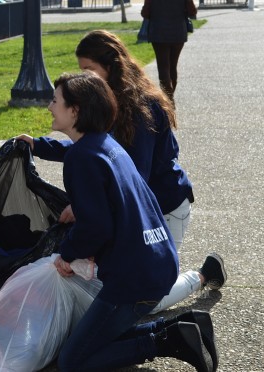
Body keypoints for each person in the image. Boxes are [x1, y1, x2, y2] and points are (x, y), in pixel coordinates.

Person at [18, 30, 226, 318]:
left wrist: (81, 207)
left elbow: (132, 177)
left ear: (111, 67)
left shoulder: (143, 109)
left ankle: (204, 273)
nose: (85, 78)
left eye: (89, 70)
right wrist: (39, 145)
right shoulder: (105, 103)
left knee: (147, 300)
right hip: (135, 211)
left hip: (164, 209)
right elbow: (95, 150)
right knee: (115, 291)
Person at [29, 71, 215, 372]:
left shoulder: (83, 158)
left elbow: (96, 226)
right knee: (97, 337)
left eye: (55, 100)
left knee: (72, 361)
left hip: (133, 277)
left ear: (75, 110)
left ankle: (169, 341)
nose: (49, 106)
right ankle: (185, 326)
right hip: (155, 261)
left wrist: (67, 254)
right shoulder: (104, 144)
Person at [142, 0, 197, 102]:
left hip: (158, 32)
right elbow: (192, 12)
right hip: (178, 31)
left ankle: (168, 100)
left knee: (163, 68)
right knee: (172, 67)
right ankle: (169, 98)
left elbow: (145, 13)